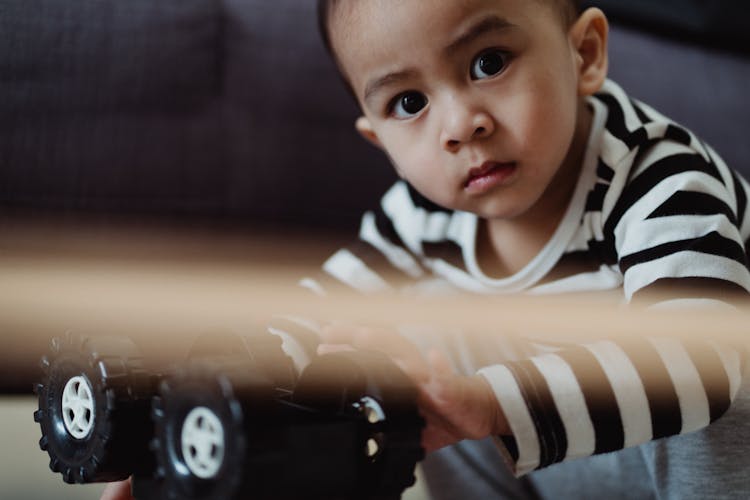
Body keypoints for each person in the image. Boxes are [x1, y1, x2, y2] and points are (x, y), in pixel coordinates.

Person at [102, 1, 749, 498]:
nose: (460, 123)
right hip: (572, 454)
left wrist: (491, 401)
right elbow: (315, 315)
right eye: (410, 102)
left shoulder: (659, 181)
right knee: (419, 363)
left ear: (584, 55)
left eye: (489, 63)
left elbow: (705, 367)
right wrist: (182, 418)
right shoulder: (422, 211)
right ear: (379, 139)